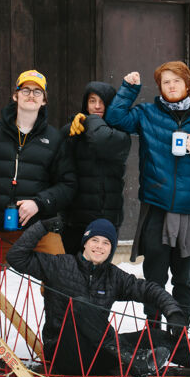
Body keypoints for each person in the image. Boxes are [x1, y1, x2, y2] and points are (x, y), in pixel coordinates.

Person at [5, 218, 190, 377]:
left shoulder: (113, 276)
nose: (99, 247)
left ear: (111, 249)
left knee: (155, 335)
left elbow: (148, 289)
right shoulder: (59, 265)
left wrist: (172, 311)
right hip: (65, 354)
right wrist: (43, 226)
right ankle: (133, 360)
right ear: (85, 243)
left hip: (101, 353)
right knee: (80, 304)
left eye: (106, 243)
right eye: (94, 241)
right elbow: (15, 257)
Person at [105, 62, 190, 326]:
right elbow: (115, 118)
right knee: (154, 278)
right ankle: (153, 331)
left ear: (187, 85)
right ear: (160, 87)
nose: (171, 86)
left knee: (184, 280)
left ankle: (179, 333)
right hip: (156, 209)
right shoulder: (147, 114)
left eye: (177, 81)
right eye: (166, 82)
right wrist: (128, 89)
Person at [0, 70, 76, 301]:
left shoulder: (54, 140)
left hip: (40, 229)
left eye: (37, 91)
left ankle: (57, 338)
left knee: (63, 284)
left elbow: (68, 184)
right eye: (25, 90)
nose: (30, 95)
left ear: (44, 100)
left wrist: (39, 203)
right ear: (16, 96)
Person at [60, 81, 131, 255]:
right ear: (85, 104)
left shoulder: (120, 134)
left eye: (102, 101)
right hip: (75, 218)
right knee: (70, 271)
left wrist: (89, 120)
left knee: (99, 272)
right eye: (92, 101)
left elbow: (102, 140)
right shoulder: (71, 132)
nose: (97, 106)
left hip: (107, 217)